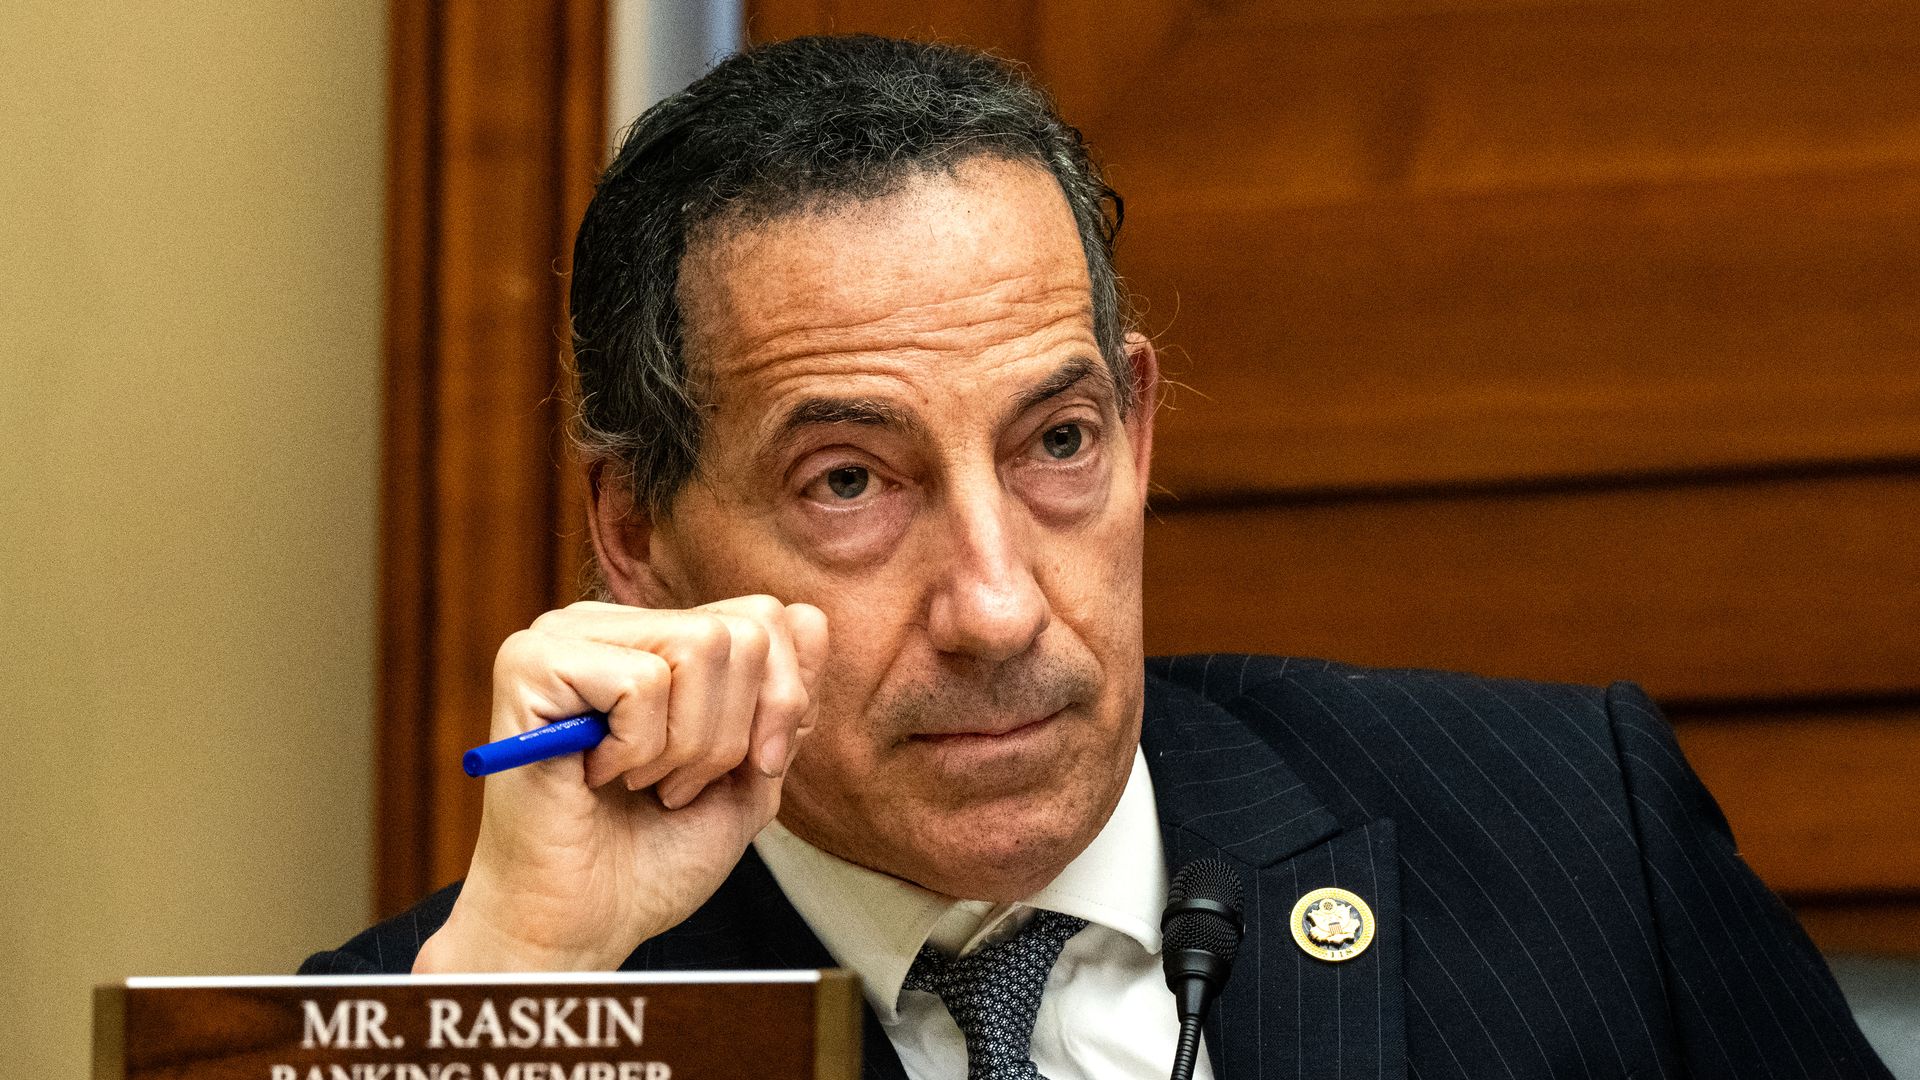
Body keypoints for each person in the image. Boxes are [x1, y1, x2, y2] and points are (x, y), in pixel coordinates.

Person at [304, 35, 1892, 1080]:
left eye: (1054, 443)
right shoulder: (461, 1002)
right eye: (850, 481)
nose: (998, 608)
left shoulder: (1573, 838)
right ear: (637, 532)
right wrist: (529, 981)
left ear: (1135, 431)